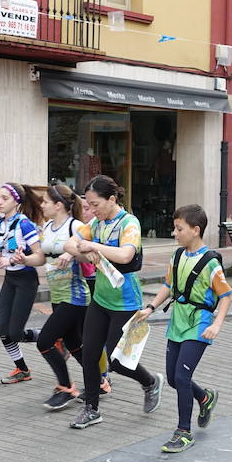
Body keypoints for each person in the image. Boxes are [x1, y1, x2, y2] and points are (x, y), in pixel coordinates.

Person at [64, 175, 162, 429]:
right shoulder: (97, 223)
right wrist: (87, 252)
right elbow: (70, 244)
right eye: (89, 205)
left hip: (126, 301)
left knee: (116, 361)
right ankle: (91, 409)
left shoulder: (129, 223)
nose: (91, 210)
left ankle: (150, 382)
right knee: (90, 354)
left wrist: (92, 247)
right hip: (100, 299)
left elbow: (125, 254)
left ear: (112, 199)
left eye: (95, 204)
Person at [136, 204, 232, 453]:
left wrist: (217, 324)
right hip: (177, 322)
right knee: (173, 378)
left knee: (181, 377)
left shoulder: (210, 262)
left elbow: (226, 296)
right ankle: (205, 398)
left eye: (179, 229)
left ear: (195, 230)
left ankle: (183, 432)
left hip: (199, 325)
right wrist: (150, 308)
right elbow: (168, 286)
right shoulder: (177, 256)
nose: (174, 233)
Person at [0, 183, 45, 384]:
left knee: (16, 332)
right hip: (10, 280)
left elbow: (40, 256)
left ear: (16, 201)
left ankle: (51, 336)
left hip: (27, 280)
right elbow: (1, 257)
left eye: (5, 198)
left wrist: (15, 260)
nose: (0, 202)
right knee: (3, 330)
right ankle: (22, 370)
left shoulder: (24, 224)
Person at [37, 185, 94, 410]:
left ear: (58, 205)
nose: (42, 206)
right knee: (73, 342)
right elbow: (40, 260)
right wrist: (21, 259)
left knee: (45, 342)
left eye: (45, 202)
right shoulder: (47, 227)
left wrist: (70, 253)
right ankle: (99, 380)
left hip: (76, 295)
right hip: (57, 294)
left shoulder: (76, 226)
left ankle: (66, 388)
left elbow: (90, 256)